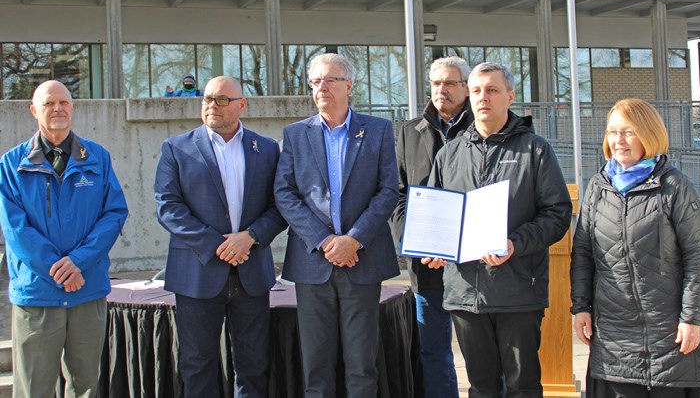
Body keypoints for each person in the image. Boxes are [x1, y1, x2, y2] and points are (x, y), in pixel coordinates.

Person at [426, 62, 572, 397]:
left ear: (510, 96)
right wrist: (434, 247)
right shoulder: (449, 154)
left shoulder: (534, 149)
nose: (483, 98)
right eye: (476, 90)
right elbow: (437, 217)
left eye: (492, 90)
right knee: (480, 388)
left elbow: (557, 214)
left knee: (522, 387)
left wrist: (515, 243)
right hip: (464, 292)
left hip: (518, 292)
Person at [274, 53, 400, 397]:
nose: (322, 88)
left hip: (362, 260)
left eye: (330, 80)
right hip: (313, 262)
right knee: (316, 367)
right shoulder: (296, 134)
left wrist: (354, 240)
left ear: (349, 85)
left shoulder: (378, 130)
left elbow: (389, 190)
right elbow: (284, 193)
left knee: (362, 366)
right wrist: (326, 241)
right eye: (316, 81)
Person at [571, 98, 700, 397]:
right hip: (614, 336)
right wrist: (580, 306)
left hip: (669, 334)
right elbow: (583, 253)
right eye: (612, 132)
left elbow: (697, 255)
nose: (618, 140)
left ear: (648, 134)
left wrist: (692, 318)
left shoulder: (674, 185)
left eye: (628, 131)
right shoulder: (598, 187)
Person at [154, 76, 286, 396]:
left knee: (253, 366)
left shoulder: (266, 149)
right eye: (207, 99)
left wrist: (251, 236)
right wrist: (219, 244)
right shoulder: (177, 148)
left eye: (222, 99)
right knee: (197, 365)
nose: (212, 104)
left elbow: (281, 205)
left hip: (251, 274)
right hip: (196, 275)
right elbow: (168, 207)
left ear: (243, 105)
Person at [0, 80, 128, 397]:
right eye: (48, 104)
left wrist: (78, 262)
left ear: (73, 108)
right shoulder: (11, 166)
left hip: (87, 289)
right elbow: (16, 229)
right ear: (33, 111)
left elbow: (114, 214)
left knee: (86, 385)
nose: (57, 109)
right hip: (38, 294)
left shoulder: (98, 158)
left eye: (63, 102)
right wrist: (58, 269)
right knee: (34, 388)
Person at [391, 56, 472, 398]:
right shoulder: (410, 132)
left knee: (482, 355)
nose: (442, 89)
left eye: (451, 83)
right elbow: (397, 196)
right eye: (436, 83)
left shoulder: (483, 128)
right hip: (427, 267)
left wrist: (459, 245)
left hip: (474, 266)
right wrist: (419, 244)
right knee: (434, 353)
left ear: (466, 89)